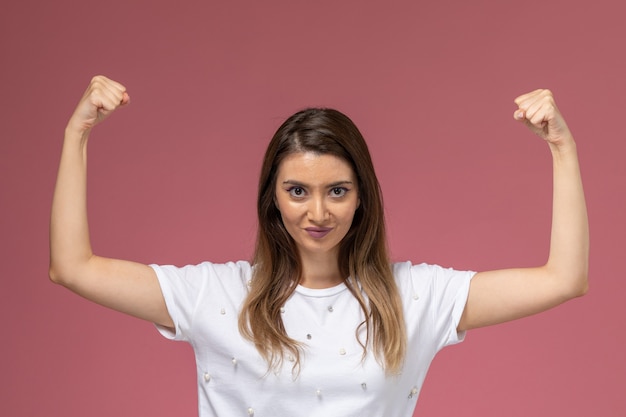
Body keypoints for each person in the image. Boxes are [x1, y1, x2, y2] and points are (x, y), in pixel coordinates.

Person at [49, 76, 588, 417]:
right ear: (273, 199)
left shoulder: (415, 297)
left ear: (362, 199)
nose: (318, 212)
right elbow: (71, 267)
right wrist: (78, 134)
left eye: (337, 191)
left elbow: (564, 279)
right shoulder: (214, 293)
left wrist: (562, 148)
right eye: (297, 191)